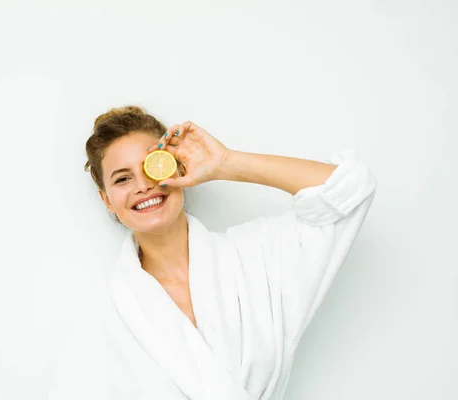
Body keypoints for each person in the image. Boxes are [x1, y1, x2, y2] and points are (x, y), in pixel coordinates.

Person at [84, 105, 377, 399]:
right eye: (123, 178)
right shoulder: (107, 309)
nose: (144, 185)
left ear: (178, 167)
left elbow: (350, 190)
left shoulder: (255, 257)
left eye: (154, 164)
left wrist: (225, 162)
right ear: (106, 200)